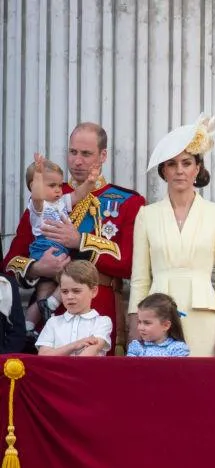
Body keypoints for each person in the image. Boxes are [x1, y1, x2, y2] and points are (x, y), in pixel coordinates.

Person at [3, 122, 143, 355]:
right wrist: (37, 268)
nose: (77, 161)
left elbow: (130, 264)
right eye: (73, 152)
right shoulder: (47, 198)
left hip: (99, 309)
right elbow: (9, 263)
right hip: (49, 320)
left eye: (86, 154)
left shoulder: (128, 202)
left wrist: (80, 241)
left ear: (103, 155)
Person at [129, 114, 215, 357]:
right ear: (163, 171)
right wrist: (135, 330)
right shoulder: (146, 215)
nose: (179, 171)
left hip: (203, 316)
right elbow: (139, 279)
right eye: (172, 164)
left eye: (186, 163)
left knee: (201, 387)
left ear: (197, 169)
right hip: (156, 318)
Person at [23, 154, 99, 333]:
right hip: (45, 247)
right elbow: (37, 194)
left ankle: (29, 325)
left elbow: (79, 194)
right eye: (52, 186)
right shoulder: (38, 206)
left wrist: (90, 180)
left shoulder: (61, 201)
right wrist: (39, 175)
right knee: (72, 273)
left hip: (59, 248)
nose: (58, 189)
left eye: (59, 185)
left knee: (43, 292)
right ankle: (53, 302)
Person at [35, 261, 111, 356]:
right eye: (64, 291)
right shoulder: (53, 322)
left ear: (94, 291)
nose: (69, 296)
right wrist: (74, 346)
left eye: (76, 291)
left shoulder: (102, 322)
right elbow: (43, 355)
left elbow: (88, 355)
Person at [126, 293, 190, 357]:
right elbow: (130, 366)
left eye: (147, 323)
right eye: (139, 322)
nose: (140, 328)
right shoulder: (136, 346)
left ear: (166, 325)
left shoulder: (177, 349)